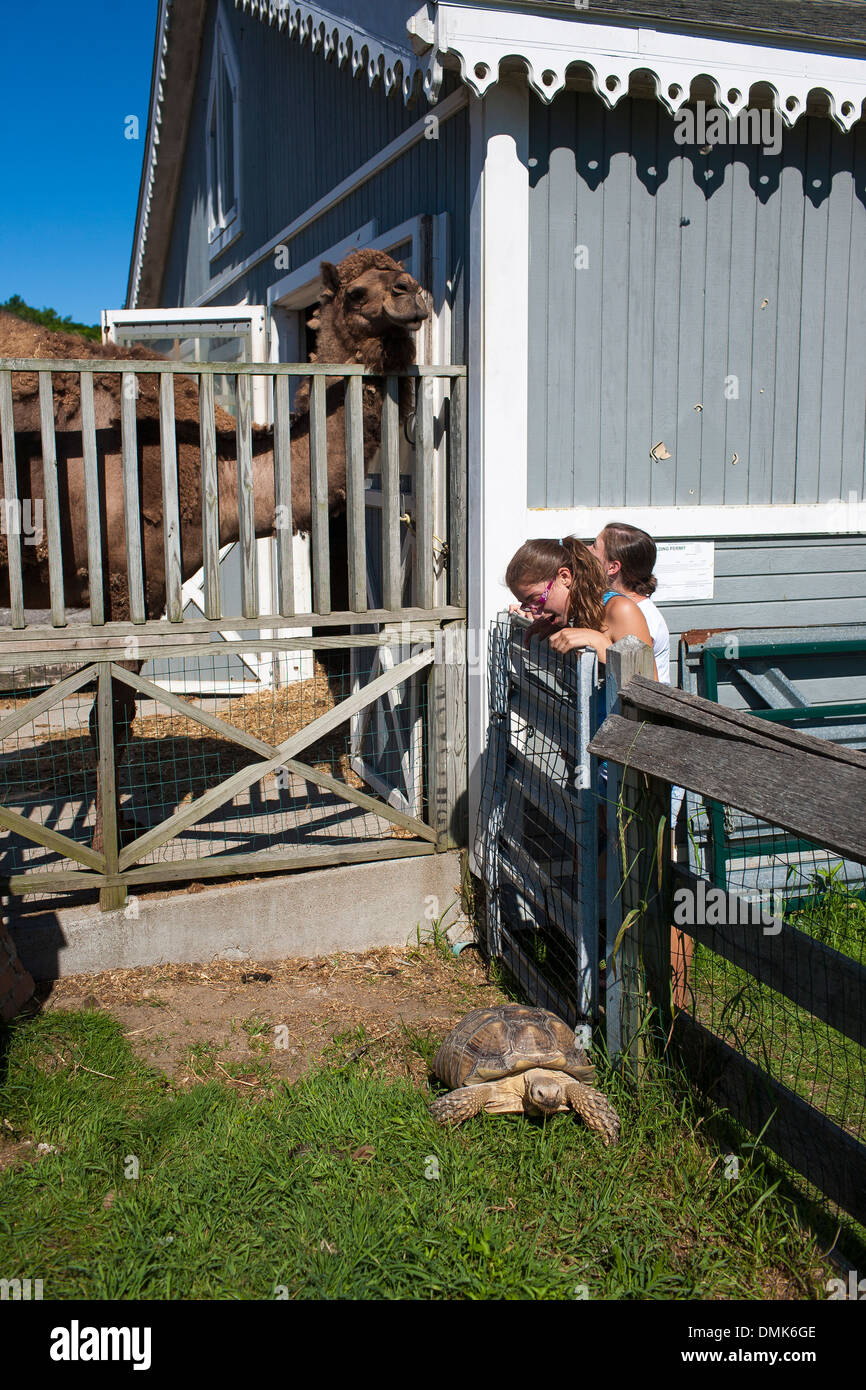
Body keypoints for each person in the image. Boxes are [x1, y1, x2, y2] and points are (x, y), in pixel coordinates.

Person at [505, 535, 658, 678]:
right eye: (527, 605)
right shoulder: (580, 613)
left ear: (564, 577)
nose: (536, 615)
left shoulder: (621, 610)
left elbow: (649, 690)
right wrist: (557, 628)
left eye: (537, 599)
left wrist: (599, 642)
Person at [589, 523, 671, 684]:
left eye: (594, 546)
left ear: (612, 567)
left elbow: (639, 680)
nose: (587, 549)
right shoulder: (610, 602)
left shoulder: (634, 614)